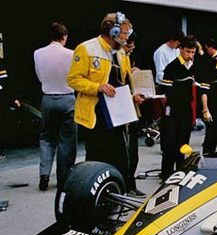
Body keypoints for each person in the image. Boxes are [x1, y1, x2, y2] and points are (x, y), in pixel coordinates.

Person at [67, 12, 145, 193]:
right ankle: (95, 194)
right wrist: (98, 87)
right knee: (97, 157)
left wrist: (134, 96)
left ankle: (117, 192)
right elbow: (73, 80)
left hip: (119, 113)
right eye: (125, 33)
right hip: (96, 114)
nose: (127, 37)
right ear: (114, 31)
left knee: (119, 156)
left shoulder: (122, 53)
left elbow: (124, 82)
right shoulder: (86, 49)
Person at [33, 22, 77, 191]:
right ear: (64, 36)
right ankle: (63, 177)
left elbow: (40, 76)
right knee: (67, 140)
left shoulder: (38, 53)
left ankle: (44, 174)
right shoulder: (71, 54)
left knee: (46, 137)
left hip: (48, 98)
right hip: (67, 98)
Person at [159, 36, 197, 180]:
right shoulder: (171, 67)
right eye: (188, 51)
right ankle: (166, 174)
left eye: (193, 52)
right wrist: (167, 112)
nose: (190, 55)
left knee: (183, 140)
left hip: (186, 109)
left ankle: (181, 171)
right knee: (170, 141)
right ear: (180, 49)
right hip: (172, 110)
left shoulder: (192, 67)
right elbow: (164, 94)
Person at [118, 32, 146, 198]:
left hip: (132, 111)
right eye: (128, 47)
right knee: (127, 152)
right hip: (123, 113)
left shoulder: (126, 59)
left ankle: (130, 184)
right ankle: (126, 185)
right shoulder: (117, 58)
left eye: (132, 48)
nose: (130, 51)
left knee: (133, 152)